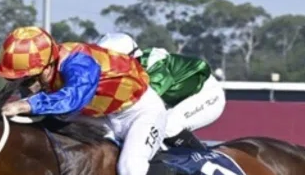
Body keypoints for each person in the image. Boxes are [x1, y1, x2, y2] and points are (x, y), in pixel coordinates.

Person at [0, 26, 212, 175]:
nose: (28, 89)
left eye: (31, 80)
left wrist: (25, 105)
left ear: (48, 66)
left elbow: (74, 97)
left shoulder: (79, 61)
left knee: (131, 172)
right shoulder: (48, 65)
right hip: (100, 115)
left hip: (139, 112)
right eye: (20, 82)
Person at [96, 32, 226, 145]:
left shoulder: (153, 68)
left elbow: (141, 104)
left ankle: (203, 162)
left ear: (130, 59)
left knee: (167, 127)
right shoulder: (127, 70)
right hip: (175, 101)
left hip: (207, 95)